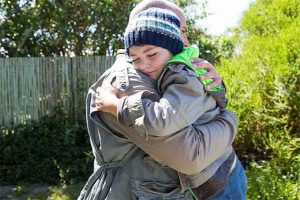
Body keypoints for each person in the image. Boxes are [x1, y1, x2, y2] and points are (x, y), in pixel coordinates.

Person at [78, 1, 245, 200]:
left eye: (184, 30)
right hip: (212, 185)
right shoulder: (128, 81)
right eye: (178, 30)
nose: (186, 41)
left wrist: (218, 89)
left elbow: (211, 104)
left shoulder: (177, 70)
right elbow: (188, 155)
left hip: (226, 174)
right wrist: (229, 122)